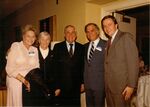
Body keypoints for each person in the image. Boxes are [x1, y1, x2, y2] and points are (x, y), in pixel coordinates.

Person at [101, 15, 139, 107]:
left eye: (109, 24)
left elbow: (133, 63)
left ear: (116, 25)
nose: (107, 28)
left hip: (122, 88)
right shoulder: (108, 42)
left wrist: (131, 86)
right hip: (109, 87)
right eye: (104, 26)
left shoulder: (125, 37)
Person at [6, 24, 39, 106]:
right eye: (28, 36)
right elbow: (9, 69)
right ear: (23, 36)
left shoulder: (34, 50)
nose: (31, 39)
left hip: (29, 82)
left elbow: (36, 67)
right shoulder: (16, 46)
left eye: (33, 36)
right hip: (16, 81)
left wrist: (33, 82)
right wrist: (23, 80)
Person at [53, 25, 84, 106]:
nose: (71, 34)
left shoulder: (81, 47)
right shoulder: (58, 47)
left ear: (76, 34)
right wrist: (56, 86)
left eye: (73, 32)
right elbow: (55, 68)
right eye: (68, 32)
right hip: (62, 87)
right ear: (64, 35)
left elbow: (83, 67)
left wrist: (83, 83)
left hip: (76, 86)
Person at [84, 23, 106, 107]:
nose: (90, 33)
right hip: (87, 85)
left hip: (100, 85)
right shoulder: (84, 47)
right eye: (87, 31)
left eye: (92, 30)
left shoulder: (106, 45)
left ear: (97, 31)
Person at [37, 31, 60, 105]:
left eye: (47, 39)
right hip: (37, 88)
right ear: (39, 40)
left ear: (50, 41)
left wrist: (57, 87)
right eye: (42, 39)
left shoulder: (54, 54)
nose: (45, 41)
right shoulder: (33, 52)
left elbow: (57, 71)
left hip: (51, 88)